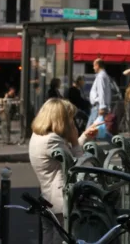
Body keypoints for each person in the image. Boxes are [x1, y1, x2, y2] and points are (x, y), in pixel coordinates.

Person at [29, 98, 104, 244]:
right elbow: (80, 167)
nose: (72, 122)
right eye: (69, 118)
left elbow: (65, 155)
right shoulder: (53, 140)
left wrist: (84, 137)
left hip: (47, 197)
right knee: (60, 238)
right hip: (59, 201)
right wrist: (76, 141)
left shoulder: (39, 136)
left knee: (48, 236)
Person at [88, 59, 111, 129]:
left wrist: (102, 107)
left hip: (98, 107)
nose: (93, 68)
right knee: (98, 130)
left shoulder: (101, 76)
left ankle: (113, 139)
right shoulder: (103, 75)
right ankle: (113, 139)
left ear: (97, 65)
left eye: (94, 66)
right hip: (98, 106)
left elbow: (102, 92)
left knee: (90, 130)